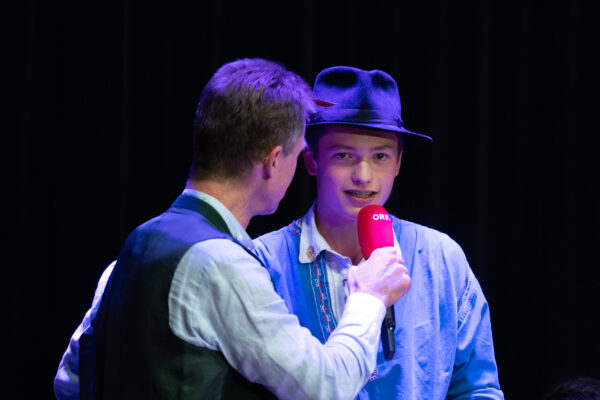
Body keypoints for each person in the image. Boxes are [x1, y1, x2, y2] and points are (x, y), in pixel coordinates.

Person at [54, 59, 412, 400]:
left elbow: (70, 383)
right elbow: (326, 387)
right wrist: (369, 296)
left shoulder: (133, 249)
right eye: (297, 153)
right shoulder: (221, 264)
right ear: (273, 161)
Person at [252, 66, 505, 399]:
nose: (363, 175)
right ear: (311, 160)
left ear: (398, 163)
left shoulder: (441, 258)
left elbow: (478, 388)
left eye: (380, 156)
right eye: (344, 155)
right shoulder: (265, 262)